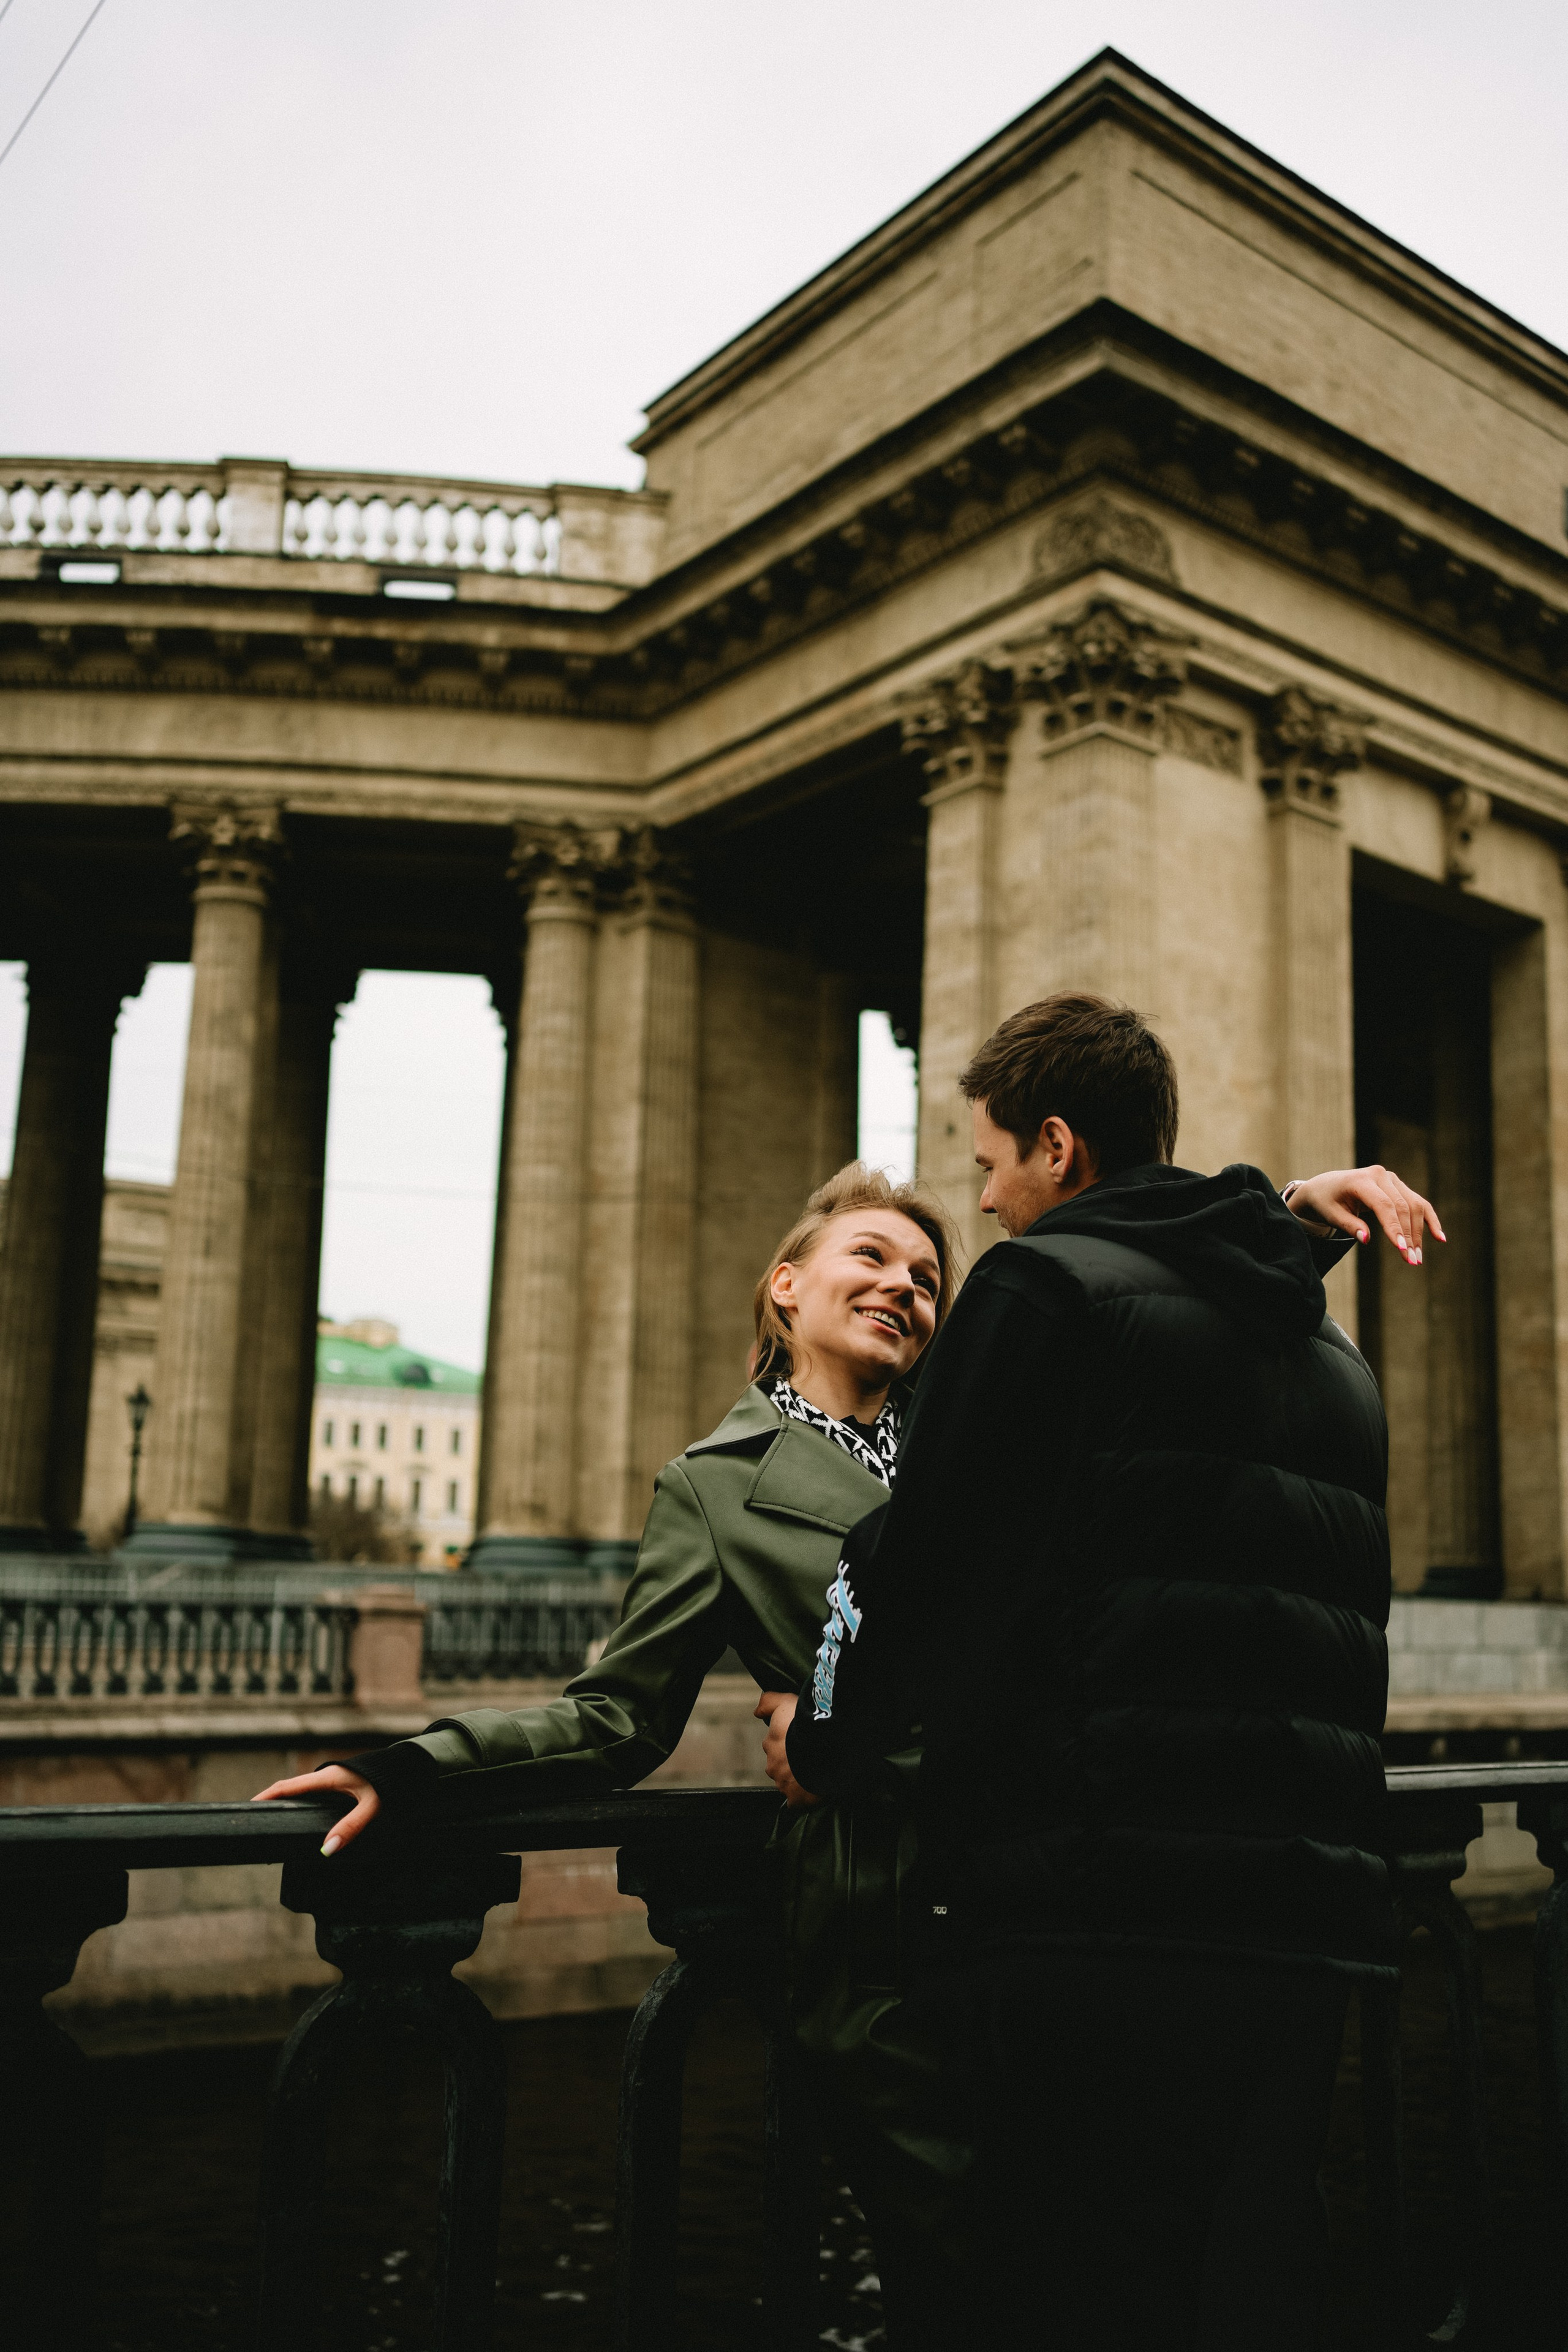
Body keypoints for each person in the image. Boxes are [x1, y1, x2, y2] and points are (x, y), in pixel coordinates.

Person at [766, 992, 1443, 2352]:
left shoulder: (1040, 1289)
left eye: (990, 1165)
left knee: (1074, 2293)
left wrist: (825, 1738)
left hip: (1095, 1915)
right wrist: (1282, 1214)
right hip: (1304, 1916)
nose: (991, 1204)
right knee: (1242, 2293)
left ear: (1057, 1148)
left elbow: (933, 1561)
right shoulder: (1327, 1352)